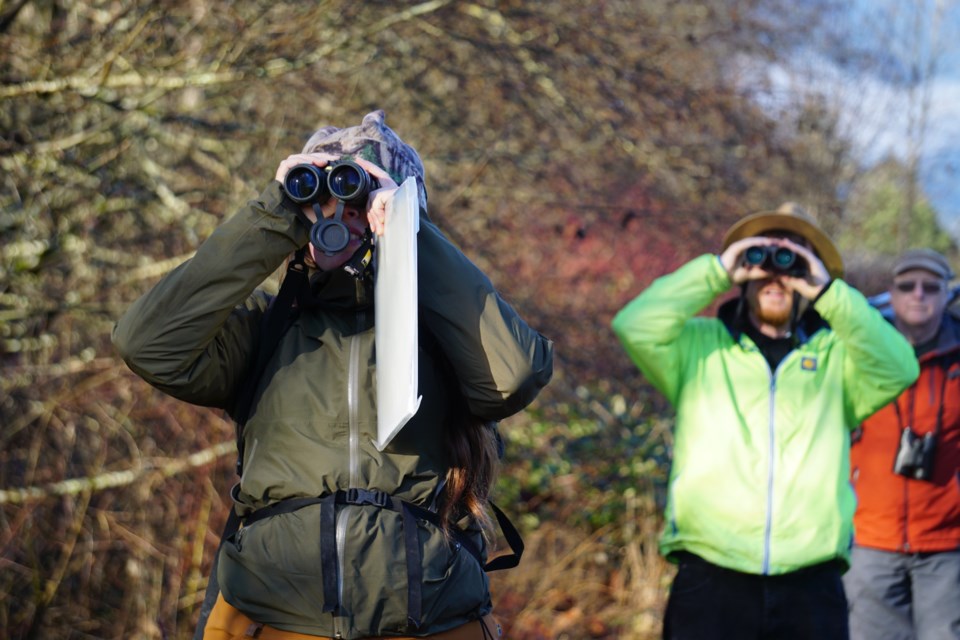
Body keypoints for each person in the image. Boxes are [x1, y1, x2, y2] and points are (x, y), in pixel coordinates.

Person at [113, 110, 554, 640]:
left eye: (357, 202)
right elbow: (147, 342)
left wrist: (411, 238)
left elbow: (517, 373)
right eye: (317, 195)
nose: (335, 214)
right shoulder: (265, 327)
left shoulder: (443, 336)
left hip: (429, 621)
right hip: (273, 617)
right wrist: (272, 216)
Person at [611, 202, 919, 640]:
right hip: (710, 574)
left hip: (811, 580)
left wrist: (828, 292)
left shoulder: (837, 361)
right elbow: (634, 324)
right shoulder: (699, 347)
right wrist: (717, 270)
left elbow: (900, 368)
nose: (777, 274)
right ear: (743, 274)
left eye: (795, 258)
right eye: (762, 258)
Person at [844, 248, 960, 640]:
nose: (918, 295)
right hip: (870, 541)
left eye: (931, 287)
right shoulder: (861, 352)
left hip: (947, 545)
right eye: (907, 286)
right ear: (890, 295)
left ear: (947, 295)